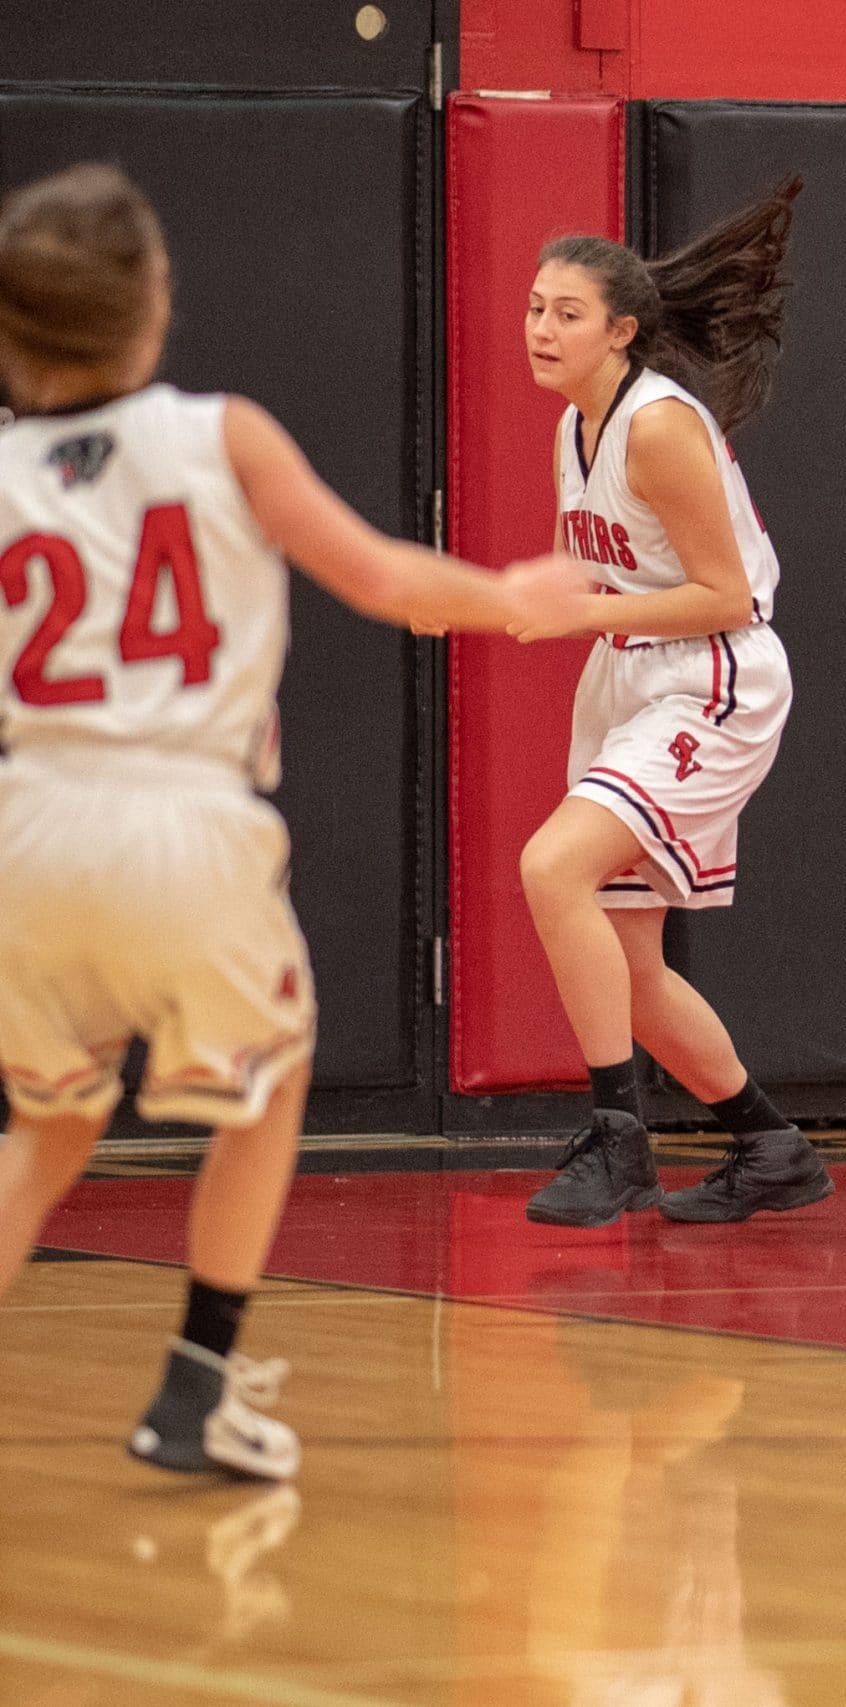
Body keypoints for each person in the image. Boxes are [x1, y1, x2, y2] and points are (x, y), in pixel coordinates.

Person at [0, 163, 587, 1478]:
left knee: (47, 1128)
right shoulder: (222, 434)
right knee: (265, 1085)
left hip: (27, 824)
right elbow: (377, 574)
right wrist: (512, 597)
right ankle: (198, 1382)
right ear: (152, 305)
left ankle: (198, 1390)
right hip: (183, 819)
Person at [508, 181, 835, 1229]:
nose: (541, 328)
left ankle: (618, 1141)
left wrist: (581, 614)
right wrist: (473, 600)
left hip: (712, 677)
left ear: (621, 331)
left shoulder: (654, 427)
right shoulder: (575, 427)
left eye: (567, 313)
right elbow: (583, 582)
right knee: (632, 968)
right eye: (534, 307)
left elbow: (727, 594)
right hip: (630, 677)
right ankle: (771, 1146)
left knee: (551, 867)